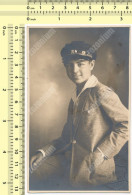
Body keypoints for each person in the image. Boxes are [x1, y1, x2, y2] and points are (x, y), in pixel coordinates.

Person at [30, 41, 128, 190]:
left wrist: (101, 153)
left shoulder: (101, 92)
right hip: (72, 168)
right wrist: (43, 152)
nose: (74, 70)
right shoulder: (76, 97)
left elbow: (127, 124)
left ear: (92, 65)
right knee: (31, 168)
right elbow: (67, 137)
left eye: (80, 63)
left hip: (95, 175)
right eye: (69, 65)